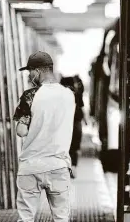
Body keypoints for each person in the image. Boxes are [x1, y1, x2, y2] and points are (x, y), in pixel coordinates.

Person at [13, 51, 75, 222]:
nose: (29, 76)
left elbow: (21, 131)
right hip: (58, 165)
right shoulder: (69, 95)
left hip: (31, 165)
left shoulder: (30, 96)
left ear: (38, 71)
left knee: (26, 218)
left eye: (30, 72)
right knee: (61, 217)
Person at [60, 75, 84, 178]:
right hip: (76, 125)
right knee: (74, 148)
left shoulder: (61, 95)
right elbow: (81, 109)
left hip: (66, 125)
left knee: (66, 147)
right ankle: (73, 168)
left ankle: (67, 168)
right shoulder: (76, 94)